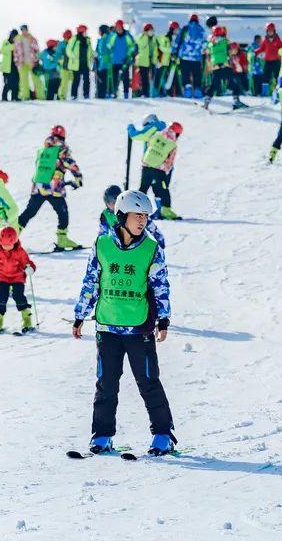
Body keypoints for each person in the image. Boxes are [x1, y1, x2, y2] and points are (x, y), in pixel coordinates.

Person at [73, 190, 176, 456]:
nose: (142, 221)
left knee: (148, 382)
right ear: (122, 216)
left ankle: (163, 435)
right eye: (136, 216)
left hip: (138, 328)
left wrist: (163, 319)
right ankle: (102, 436)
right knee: (106, 383)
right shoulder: (102, 245)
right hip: (107, 327)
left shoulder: (152, 248)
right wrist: (80, 314)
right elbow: (91, 280)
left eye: (145, 216)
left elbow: (161, 285)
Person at [17, 125, 84, 250]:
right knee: (62, 212)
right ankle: (62, 239)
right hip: (53, 188)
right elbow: (70, 164)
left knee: (29, 212)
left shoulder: (43, 149)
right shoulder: (61, 149)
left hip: (38, 186)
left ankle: (11, 237)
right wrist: (78, 179)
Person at [127, 115, 185, 220]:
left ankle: (135, 211)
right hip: (159, 169)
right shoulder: (172, 143)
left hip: (146, 165)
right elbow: (170, 160)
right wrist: (165, 171)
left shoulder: (157, 134)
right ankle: (166, 211)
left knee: (143, 188)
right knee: (163, 190)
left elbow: (147, 143)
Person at [0, 226, 37, 335]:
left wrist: (30, 268)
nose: (6, 247)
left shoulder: (20, 252)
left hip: (18, 277)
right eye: (4, 245)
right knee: (2, 296)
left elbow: (27, 263)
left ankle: (27, 320)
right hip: (3, 277)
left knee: (18, 296)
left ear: (15, 241)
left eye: (9, 245)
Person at [171, 14, 206, 98]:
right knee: (197, 74)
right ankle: (197, 90)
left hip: (184, 57)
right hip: (197, 58)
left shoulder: (185, 29)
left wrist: (174, 52)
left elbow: (177, 41)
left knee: (185, 74)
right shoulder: (201, 30)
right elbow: (204, 44)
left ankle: (188, 89)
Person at [105, 20, 136, 99]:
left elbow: (132, 46)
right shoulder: (113, 36)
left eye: (120, 27)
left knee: (125, 78)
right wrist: (110, 50)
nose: (118, 29)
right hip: (115, 61)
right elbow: (109, 45)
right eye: (117, 27)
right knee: (114, 78)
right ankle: (114, 93)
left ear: (122, 27)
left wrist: (128, 55)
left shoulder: (127, 35)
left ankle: (126, 94)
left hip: (124, 61)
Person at [13, 24, 40, 100]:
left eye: (25, 30)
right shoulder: (17, 39)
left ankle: (40, 95)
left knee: (36, 79)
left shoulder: (32, 39)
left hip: (32, 62)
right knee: (23, 80)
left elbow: (37, 50)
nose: (23, 31)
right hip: (21, 63)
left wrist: (36, 61)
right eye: (22, 30)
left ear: (27, 30)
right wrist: (16, 61)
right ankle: (25, 95)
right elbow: (15, 51)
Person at [66, 25, 93, 99]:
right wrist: (74, 57)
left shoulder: (87, 40)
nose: (86, 32)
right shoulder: (74, 39)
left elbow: (90, 50)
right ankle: (73, 95)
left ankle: (86, 94)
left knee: (87, 80)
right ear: (81, 31)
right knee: (76, 80)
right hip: (76, 64)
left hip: (85, 63)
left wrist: (93, 55)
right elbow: (68, 50)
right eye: (85, 31)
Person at [258, 22, 282, 92]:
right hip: (268, 61)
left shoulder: (277, 38)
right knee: (266, 76)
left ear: (274, 31)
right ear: (267, 31)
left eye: (271, 31)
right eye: (269, 31)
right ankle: (265, 92)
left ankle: (279, 91)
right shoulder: (265, 39)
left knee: (277, 76)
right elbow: (261, 48)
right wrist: (255, 52)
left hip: (276, 61)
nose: (270, 32)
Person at [0, 29, 19, 101]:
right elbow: (3, 50)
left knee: (15, 83)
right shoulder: (6, 42)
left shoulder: (19, 43)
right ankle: (4, 98)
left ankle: (15, 97)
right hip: (6, 68)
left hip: (15, 67)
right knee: (7, 83)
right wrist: (13, 46)